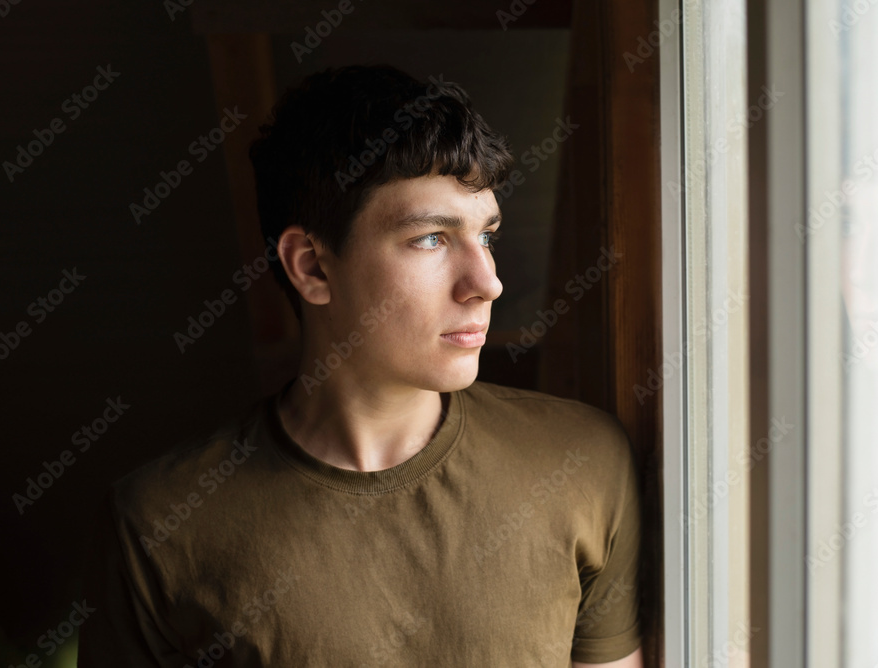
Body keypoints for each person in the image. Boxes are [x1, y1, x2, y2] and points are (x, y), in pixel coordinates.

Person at [77, 64, 643, 668]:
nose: (488, 283)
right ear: (312, 267)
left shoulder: (583, 462)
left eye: (487, 236)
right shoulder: (159, 524)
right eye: (431, 238)